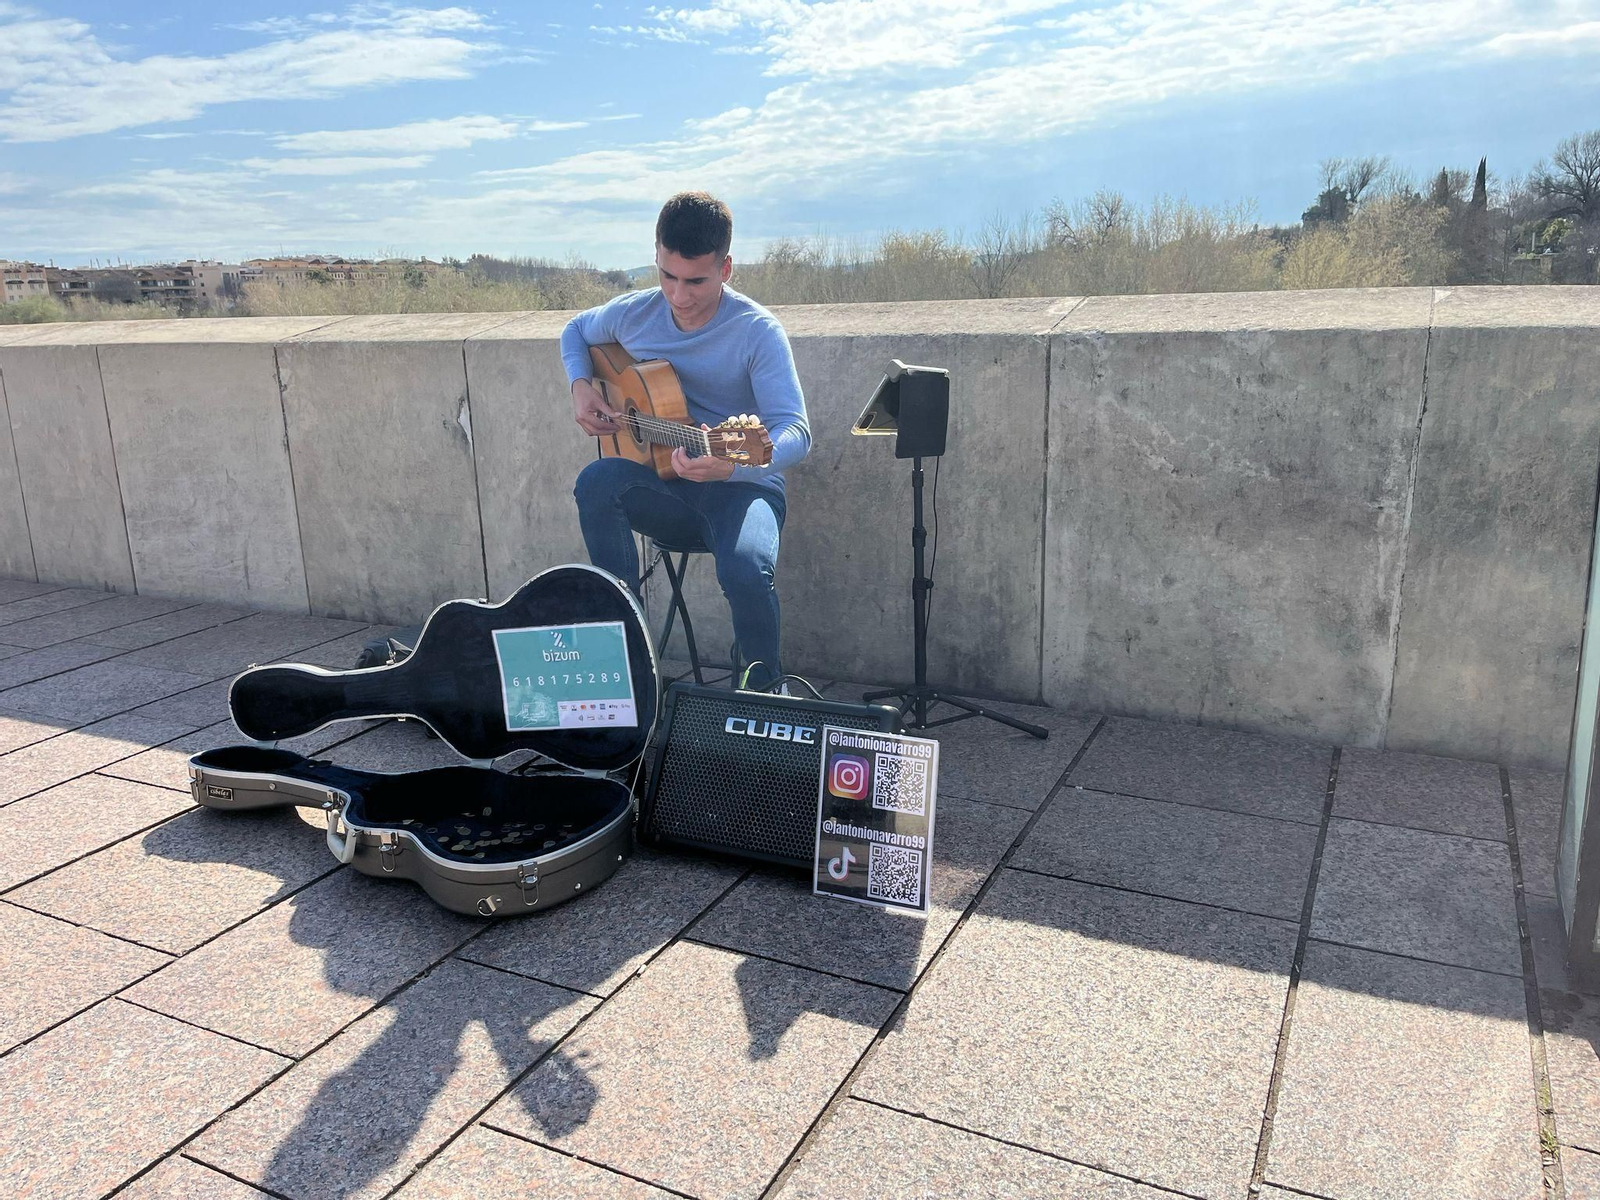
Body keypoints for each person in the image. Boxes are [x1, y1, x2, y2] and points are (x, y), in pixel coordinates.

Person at [563, 192, 811, 691]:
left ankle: (763, 693)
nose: (678, 295)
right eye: (667, 275)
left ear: (726, 268)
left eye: (695, 280)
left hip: (744, 487)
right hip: (666, 486)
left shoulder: (757, 331)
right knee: (596, 482)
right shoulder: (633, 312)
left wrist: (733, 466)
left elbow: (795, 432)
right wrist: (581, 384)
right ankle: (625, 664)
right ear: (656, 256)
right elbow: (574, 330)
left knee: (745, 568)